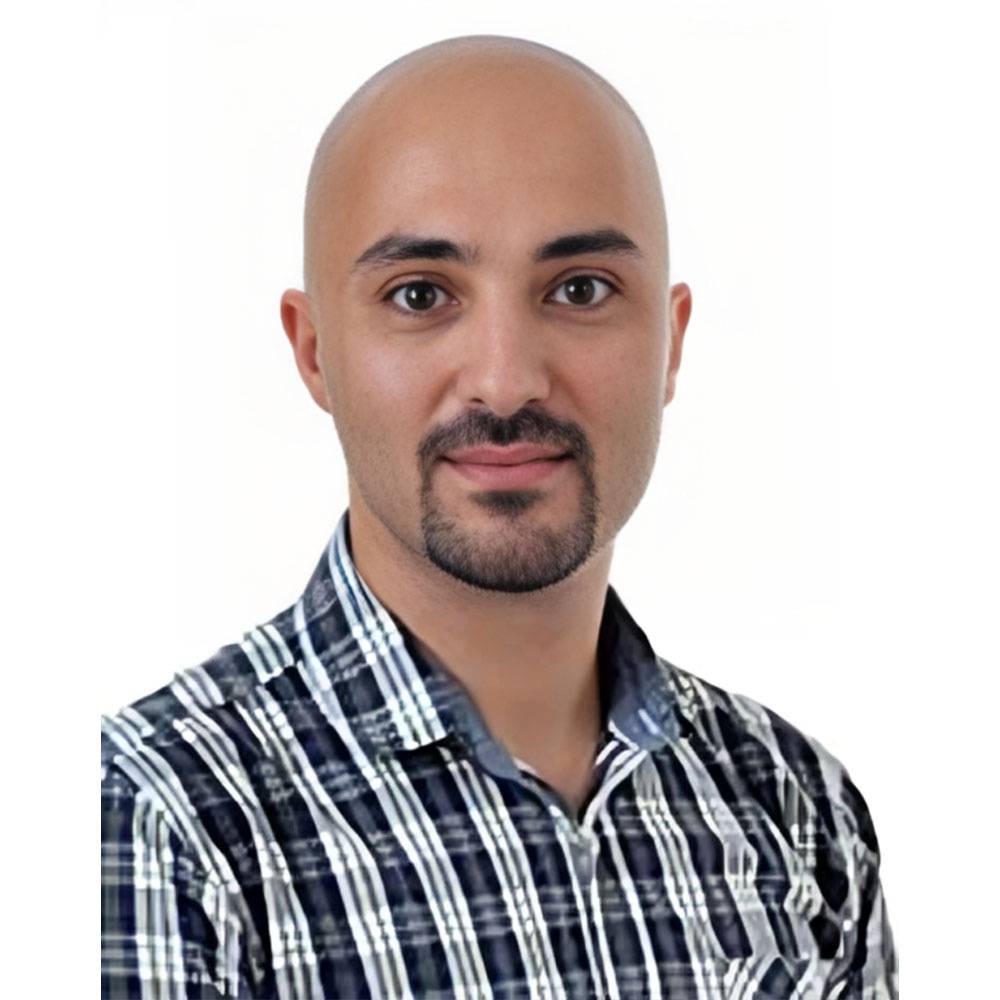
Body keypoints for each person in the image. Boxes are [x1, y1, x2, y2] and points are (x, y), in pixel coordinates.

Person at [101, 35, 897, 1000]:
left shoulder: (799, 810)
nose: (506, 380)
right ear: (314, 354)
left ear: (670, 342)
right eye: (421, 296)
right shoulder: (154, 825)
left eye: (580, 290)